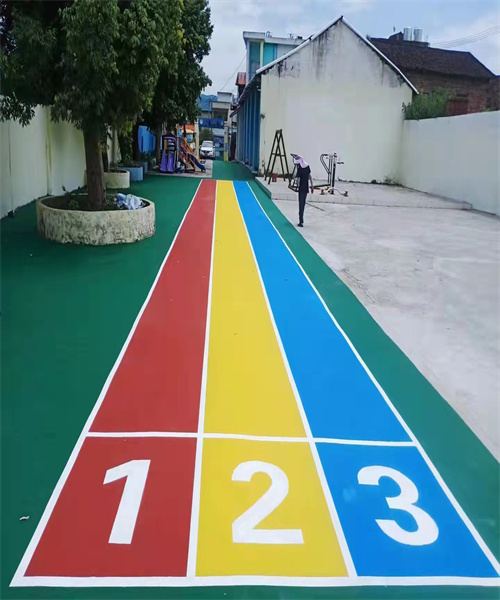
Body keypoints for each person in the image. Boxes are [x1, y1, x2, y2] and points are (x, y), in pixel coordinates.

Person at [294, 155, 313, 227]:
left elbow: (297, 179)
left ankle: (301, 221)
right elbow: (310, 176)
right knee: (303, 203)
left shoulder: (300, 169)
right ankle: (301, 220)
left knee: (301, 204)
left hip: (301, 188)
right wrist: (312, 186)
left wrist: (296, 182)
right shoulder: (307, 167)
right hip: (306, 188)